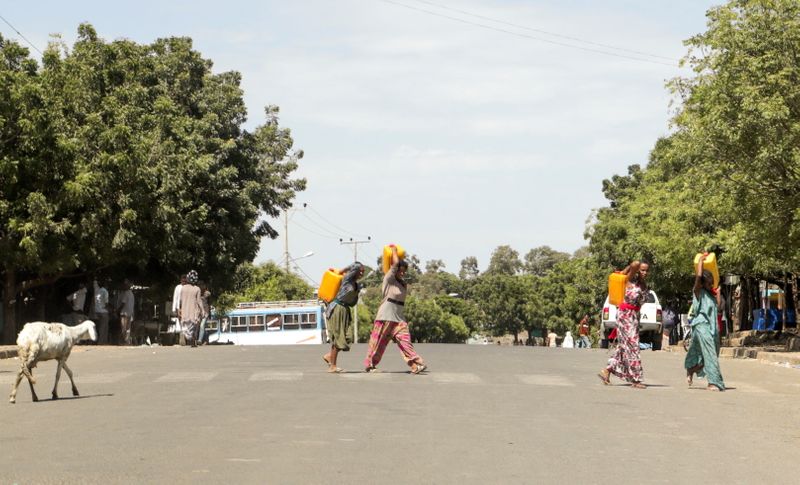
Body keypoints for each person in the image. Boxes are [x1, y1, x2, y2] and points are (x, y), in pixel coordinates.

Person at [363, 246, 427, 374]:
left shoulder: (403, 284)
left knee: (405, 340)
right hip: (385, 315)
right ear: (395, 270)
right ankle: (370, 365)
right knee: (378, 343)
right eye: (400, 271)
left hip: (398, 317)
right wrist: (393, 251)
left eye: (404, 271)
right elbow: (396, 264)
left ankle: (415, 364)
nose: (402, 273)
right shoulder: (389, 279)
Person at [598, 260, 648, 389]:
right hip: (625, 316)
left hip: (633, 317)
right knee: (633, 346)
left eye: (647, 270)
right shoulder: (628, 279)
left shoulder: (642, 285)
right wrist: (634, 268)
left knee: (623, 347)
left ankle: (607, 370)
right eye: (642, 270)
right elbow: (635, 264)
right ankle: (636, 379)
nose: (645, 272)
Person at [685, 254, 725, 391]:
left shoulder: (711, 295)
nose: (711, 285)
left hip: (713, 327)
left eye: (712, 282)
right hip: (701, 325)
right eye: (708, 283)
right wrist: (701, 262)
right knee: (710, 354)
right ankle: (713, 382)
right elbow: (698, 278)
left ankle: (691, 369)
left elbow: (719, 308)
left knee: (711, 354)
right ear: (702, 283)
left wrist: (718, 293)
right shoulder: (698, 291)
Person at [322, 262, 365, 373]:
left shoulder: (356, 285)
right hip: (337, 308)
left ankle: (329, 356)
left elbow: (352, 301)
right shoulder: (346, 279)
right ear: (355, 270)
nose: (361, 273)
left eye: (363, 271)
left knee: (347, 337)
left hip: (345, 310)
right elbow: (353, 266)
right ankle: (333, 366)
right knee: (338, 337)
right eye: (360, 270)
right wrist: (341, 271)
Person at [179, 270, 206, 347]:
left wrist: (180, 309)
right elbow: (199, 301)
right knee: (194, 327)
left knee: (186, 327)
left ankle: (184, 335)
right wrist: (202, 310)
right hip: (193, 312)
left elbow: (181, 300)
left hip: (185, 311)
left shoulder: (183, 288)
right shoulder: (197, 289)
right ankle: (194, 340)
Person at [116, 279, 135, 345]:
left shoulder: (126, 293)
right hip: (129, 313)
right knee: (128, 328)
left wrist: (118, 310)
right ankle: (127, 341)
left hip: (124, 313)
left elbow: (123, 303)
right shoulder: (131, 294)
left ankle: (125, 341)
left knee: (123, 328)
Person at [92, 278, 110, 344]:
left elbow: (95, 282)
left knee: (100, 326)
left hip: (97, 311)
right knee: (104, 328)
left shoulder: (96, 290)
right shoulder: (105, 291)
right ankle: (101, 342)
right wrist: (111, 310)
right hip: (103, 312)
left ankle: (100, 341)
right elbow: (106, 304)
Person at [172, 275, 186, 340]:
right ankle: (182, 333)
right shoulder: (178, 287)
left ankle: (185, 334)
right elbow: (175, 297)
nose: (184, 282)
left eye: (185, 281)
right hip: (179, 306)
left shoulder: (187, 287)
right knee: (180, 319)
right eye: (183, 281)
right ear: (181, 280)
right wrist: (174, 308)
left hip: (186, 306)